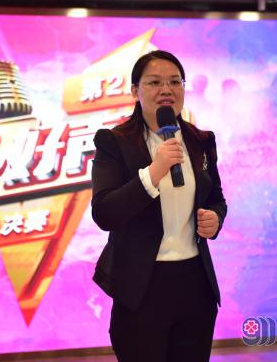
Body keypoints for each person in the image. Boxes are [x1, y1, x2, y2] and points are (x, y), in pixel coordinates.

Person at [91, 50, 227, 362]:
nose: (166, 90)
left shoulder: (201, 140)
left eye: (175, 82)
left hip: (195, 283)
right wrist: (154, 172)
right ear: (135, 91)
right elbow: (105, 212)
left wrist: (215, 218)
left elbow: (216, 198)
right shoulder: (113, 142)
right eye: (154, 82)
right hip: (141, 286)